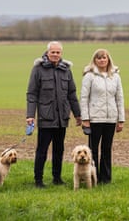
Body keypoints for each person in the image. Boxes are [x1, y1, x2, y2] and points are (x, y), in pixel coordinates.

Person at [26, 41, 82, 188]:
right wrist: (30, 115)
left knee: (59, 149)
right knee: (42, 151)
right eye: (53, 52)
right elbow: (32, 94)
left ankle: (57, 178)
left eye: (58, 52)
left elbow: (72, 94)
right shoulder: (38, 69)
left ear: (61, 53)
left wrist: (78, 114)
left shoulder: (66, 70)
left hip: (62, 118)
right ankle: (38, 180)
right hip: (46, 117)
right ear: (47, 52)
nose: (55, 55)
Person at [80, 48, 125, 184]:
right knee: (92, 150)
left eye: (104, 57)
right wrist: (85, 119)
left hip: (110, 118)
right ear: (95, 60)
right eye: (99, 58)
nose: (102, 60)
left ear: (108, 59)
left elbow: (119, 98)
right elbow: (84, 98)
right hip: (94, 119)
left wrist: (121, 119)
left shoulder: (115, 76)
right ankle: (93, 178)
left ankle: (105, 179)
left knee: (106, 149)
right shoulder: (89, 76)